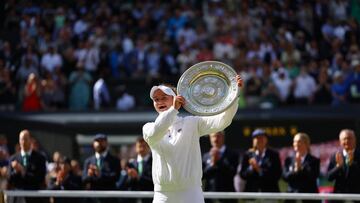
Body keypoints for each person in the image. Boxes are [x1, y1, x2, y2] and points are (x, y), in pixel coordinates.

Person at [143, 75, 243, 203]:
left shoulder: (192, 123)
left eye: (164, 98)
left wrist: (234, 94)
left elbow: (222, 120)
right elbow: (156, 132)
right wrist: (173, 110)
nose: (160, 102)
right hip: (163, 194)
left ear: (175, 99)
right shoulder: (148, 128)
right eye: (156, 99)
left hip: (191, 192)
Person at [8, 129, 47, 203]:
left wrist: (22, 171)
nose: (23, 142)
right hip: (17, 199)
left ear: (30, 140)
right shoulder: (13, 158)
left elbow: (40, 179)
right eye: (21, 139)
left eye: (25, 139)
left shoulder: (40, 158)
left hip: (34, 198)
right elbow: (9, 180)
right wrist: (16, 171)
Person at [202, 131, 239, 203]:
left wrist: (218, 161)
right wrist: (212, 163)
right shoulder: (206, 156)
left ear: (223, 137)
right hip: (209, 197)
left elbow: (232, 172)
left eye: (218, 136)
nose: (215, 139)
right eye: (213, 136)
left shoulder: (232, 154)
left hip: (227, 197)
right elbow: (202, 175)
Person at [82, 133, 120, 203]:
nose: (99, 143)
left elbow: (115, 177)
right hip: (92, 198)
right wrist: (89, 175)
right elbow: (84, 179)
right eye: (97, 141)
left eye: (101, 141)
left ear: (106, 143)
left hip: (109, 198)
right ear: (93, 144)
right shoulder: (88, 161)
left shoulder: (114, 160)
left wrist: (100, 174)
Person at [283, 133, 320, 203]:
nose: (296, 144)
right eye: (294, 141)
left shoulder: (314, 161)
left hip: (309, 198)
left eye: (299, 141)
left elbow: (313, 176)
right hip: (292, 198)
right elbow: (285, 177)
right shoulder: (288, 160)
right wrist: (296, 170)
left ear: (306, 144)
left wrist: (301, 168)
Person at [117, 137, 153, 203]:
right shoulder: (130, 164)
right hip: (133, 198)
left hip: (149, 198)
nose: (141, 149)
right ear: (136, 148)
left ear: (149, 147)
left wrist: (138, 176)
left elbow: (154, 181)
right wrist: (127, 175)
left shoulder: (154, 162)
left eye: (144, 146)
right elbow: (121, 185)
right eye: (139, 146)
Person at [327, 129, 360, 195]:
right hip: (340, 196)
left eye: (350, 138)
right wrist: (338, 166)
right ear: (340, 142)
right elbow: (329, 178)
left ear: (355, 140)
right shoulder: (335, 156)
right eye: (344, 139)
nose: (347, 141)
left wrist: (351, 164)